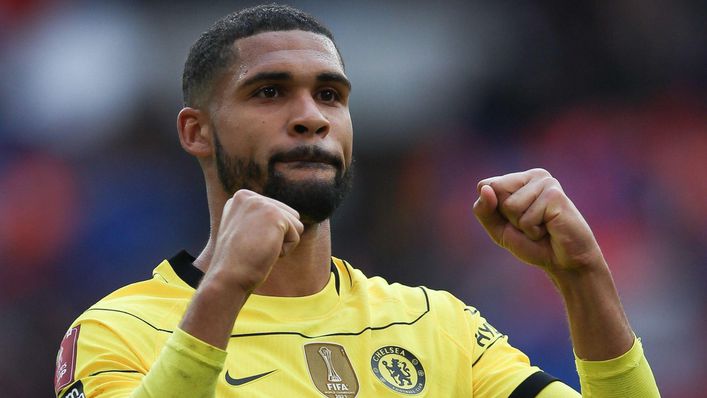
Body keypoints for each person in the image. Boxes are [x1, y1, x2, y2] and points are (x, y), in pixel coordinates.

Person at [54, 4, 660, 397]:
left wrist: (584, 278)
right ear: (196, 131)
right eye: (269, 92)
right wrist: (224, 291)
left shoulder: (434, 325)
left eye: (330, 95)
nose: (310, 117)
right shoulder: (121, 331)